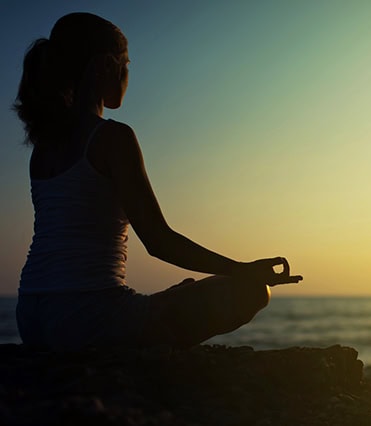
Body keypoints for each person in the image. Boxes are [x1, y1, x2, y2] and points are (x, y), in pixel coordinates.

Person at [13, 12, 302, 351]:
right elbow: (158, 241)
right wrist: (243, 270)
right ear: (107, 65)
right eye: (127, 64)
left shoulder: (44, 146)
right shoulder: (112, 137)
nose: (128, 74)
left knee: (179, 294)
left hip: (30, 317)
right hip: (88, 319)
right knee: (253, 291)